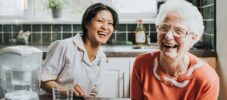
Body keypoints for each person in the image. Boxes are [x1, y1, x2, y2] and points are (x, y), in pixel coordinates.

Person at [131, 0, 219, 100]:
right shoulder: (142, 64)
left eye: (179, 31)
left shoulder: (207, 79)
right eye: (164, 28)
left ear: (193, 38)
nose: (168, 36)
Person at [40, 3, 119, 96]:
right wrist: (64, 90)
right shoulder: (64, 46)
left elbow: (93, 92)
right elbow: (43, 81)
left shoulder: (101, 57)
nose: (105, 27)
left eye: (110, 23)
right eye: (100, 21)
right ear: (86, 23)